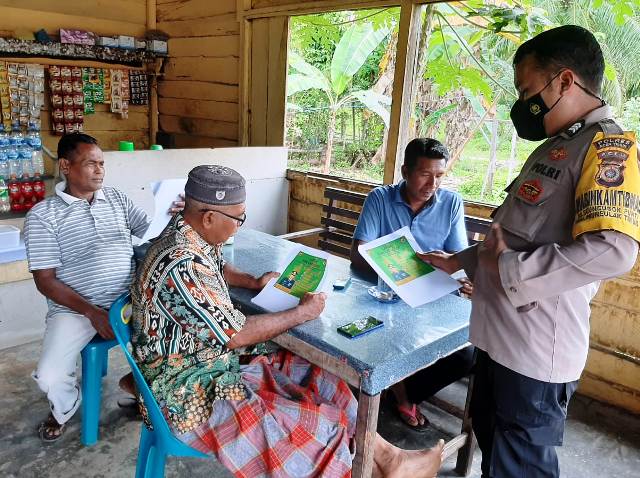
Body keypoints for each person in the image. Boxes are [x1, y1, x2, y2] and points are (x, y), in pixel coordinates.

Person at [421, 25, 639, 477]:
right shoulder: (555, 147)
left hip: (536, 351)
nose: (523, 105)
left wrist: (506, 270)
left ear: (564, 80)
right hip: (498, 339)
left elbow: (613, 250)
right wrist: (460, 261)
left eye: (527, 91)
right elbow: (515, 229)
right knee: (495, 454)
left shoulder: (608, 148)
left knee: (520, 467)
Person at [131, 165, 445, 478]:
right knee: (319, 431)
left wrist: (253, 281)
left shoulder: (186, 231)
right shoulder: (181, 264)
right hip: (187, 391)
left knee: (321, 376)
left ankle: (389, 458)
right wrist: (301, 313)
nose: (240, 225)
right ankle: (368, 466)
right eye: (238, 218)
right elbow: (236, 334)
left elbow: (217, 265)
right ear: (209, 217)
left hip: (215, 364)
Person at [24, 133, 181, 442]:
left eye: (102, 164)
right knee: (50, 376)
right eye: (91, 163)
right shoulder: (44, 216)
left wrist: (174, 217)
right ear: (67, 166)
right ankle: (64, 407)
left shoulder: (117, 199)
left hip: (127, 300)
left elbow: (151, 237)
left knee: (176, 330)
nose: (99, 170)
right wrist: (93, 313)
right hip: (77, 310)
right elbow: (45, 280)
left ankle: (141, 390)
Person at [350, 138, 474, 431]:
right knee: (380, 337)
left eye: (440, 175)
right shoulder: (380, 199)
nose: (433, 183)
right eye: (424, 174)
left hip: (431, 298)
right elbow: (358, 253)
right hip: (385, 296)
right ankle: (402, 394)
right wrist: (394, 273)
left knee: (467, 355)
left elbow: (458, 256)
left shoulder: (451, 203)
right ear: (405, 171)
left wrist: (462, 277)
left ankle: (402, 389)